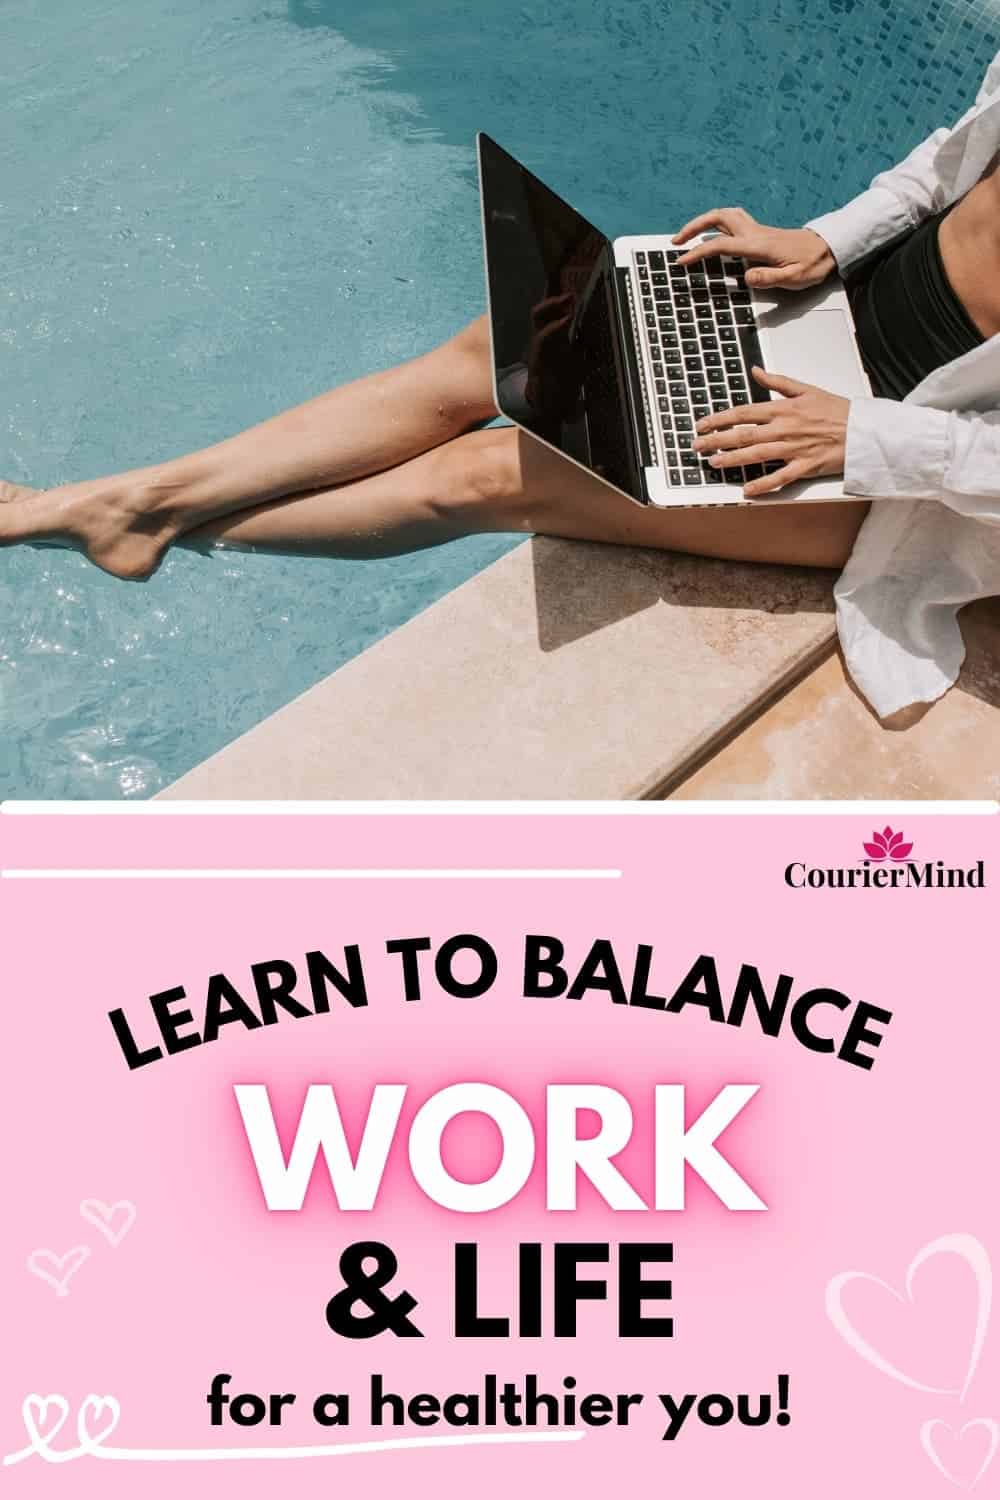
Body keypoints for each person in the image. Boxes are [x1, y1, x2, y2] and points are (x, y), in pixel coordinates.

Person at [3, 51, 1000, 719]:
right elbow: (949, 157)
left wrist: (861, 441)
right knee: (515, 341)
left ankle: (127, 518)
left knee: (493, 473)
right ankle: (129, 505)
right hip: (837, 308)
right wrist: (828, 240)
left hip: (910, 471)